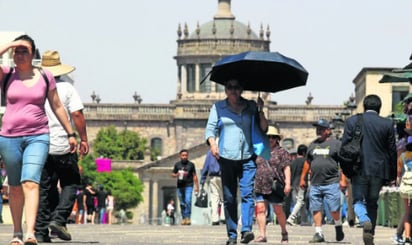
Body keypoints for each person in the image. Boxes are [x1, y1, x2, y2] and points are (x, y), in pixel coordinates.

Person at [0, 35, 77, 245]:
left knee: (30, 182)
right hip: (9, 137)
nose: (19, 54)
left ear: (33, 54)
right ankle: (17, 232)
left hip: (38, 135)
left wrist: (71, 133)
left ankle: (30, 232)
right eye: (17, 51)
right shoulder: (6, 74)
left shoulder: (45, 76)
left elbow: (57, 105)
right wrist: (11, 45)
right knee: (15, 187)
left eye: (24, 50)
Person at [34, 50, 89, 242]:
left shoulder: (34, 87)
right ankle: (58, 218)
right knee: (71, 182)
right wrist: (83, 138)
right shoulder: (66, 88)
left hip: (38, 144)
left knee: (44, 188)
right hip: (63, 144)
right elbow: (77, 115)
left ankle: (40, 232)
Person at [205, 79, 268, 245]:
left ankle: (246, 230)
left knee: (247, 194)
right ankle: (232, 234)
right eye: (230, 87)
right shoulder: (218, 107)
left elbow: (264, 129)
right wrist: (213, 144)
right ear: (225, 90)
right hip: (227, 158)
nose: (233, 90)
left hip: (248, 157)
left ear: (241, 89)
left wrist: (261, 110)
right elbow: (210, 129)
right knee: (229, 197)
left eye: (237, 87)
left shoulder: (251, 106)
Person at [341, 94, 397, 245]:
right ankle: (370, 234)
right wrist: (392, 174)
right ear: (379, 108)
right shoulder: (387, 124)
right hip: (379, 170)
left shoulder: (352, 121)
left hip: (359, 168)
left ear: (364, 107)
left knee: (358, 201)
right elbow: (392, 150)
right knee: (373, 202)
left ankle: (364, 220)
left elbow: (344, 147)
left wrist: (346, 170)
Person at [299, 119, 346, 243]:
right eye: (317, 128)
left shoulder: (336, 144)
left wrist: (343, 179)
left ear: (328, 131)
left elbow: (343, 163)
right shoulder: (312, 145)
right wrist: (302, 178)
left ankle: (338, 225)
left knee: (334, 209)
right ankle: (318, 233)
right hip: (315, 183)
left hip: (332, 182)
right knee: (316, 208)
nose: (318, 131)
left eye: (321, 128)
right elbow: (307, 163)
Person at [253, 126, 291, 243]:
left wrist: (288, 183)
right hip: (260, 184)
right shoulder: (258, 150)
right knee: (260, 209)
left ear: (277, 139)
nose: (271, 139)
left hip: (274, 185)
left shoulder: (282, 152)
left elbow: (286, 168)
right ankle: (262, 235)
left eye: (273, 137)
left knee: (278, 210)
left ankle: (284, 231)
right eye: (268, 137)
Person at [171, 149, 199, 226]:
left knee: (188, 200)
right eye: (183, 155)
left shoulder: (191, 165)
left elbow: (195, 175)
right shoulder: (177, 165)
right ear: (180, 156)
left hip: (189, 185)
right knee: (182, 203)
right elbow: (173, 174)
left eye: (186, 155)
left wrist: (197, 186)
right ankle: (183, 218)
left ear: (187, 156)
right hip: (180, 186)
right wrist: (176, 175)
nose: (184, 157)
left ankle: (188, 218)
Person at [200, 150, 225, 225]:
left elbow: (206, 166)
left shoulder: (210, 152)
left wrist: (202, 180)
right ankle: (223, 217)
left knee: (214, 198)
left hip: (212, 177)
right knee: (224, 197)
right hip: (223, 176)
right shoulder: (224, 150)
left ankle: (215, 219)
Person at [286, 144, 309, 226]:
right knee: (300, 202)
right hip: (301, 184)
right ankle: (291, 218)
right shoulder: (305, 161)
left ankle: (304, 220)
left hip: (293, 184)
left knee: (301, 202)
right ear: (304, 152)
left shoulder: (293, 162)